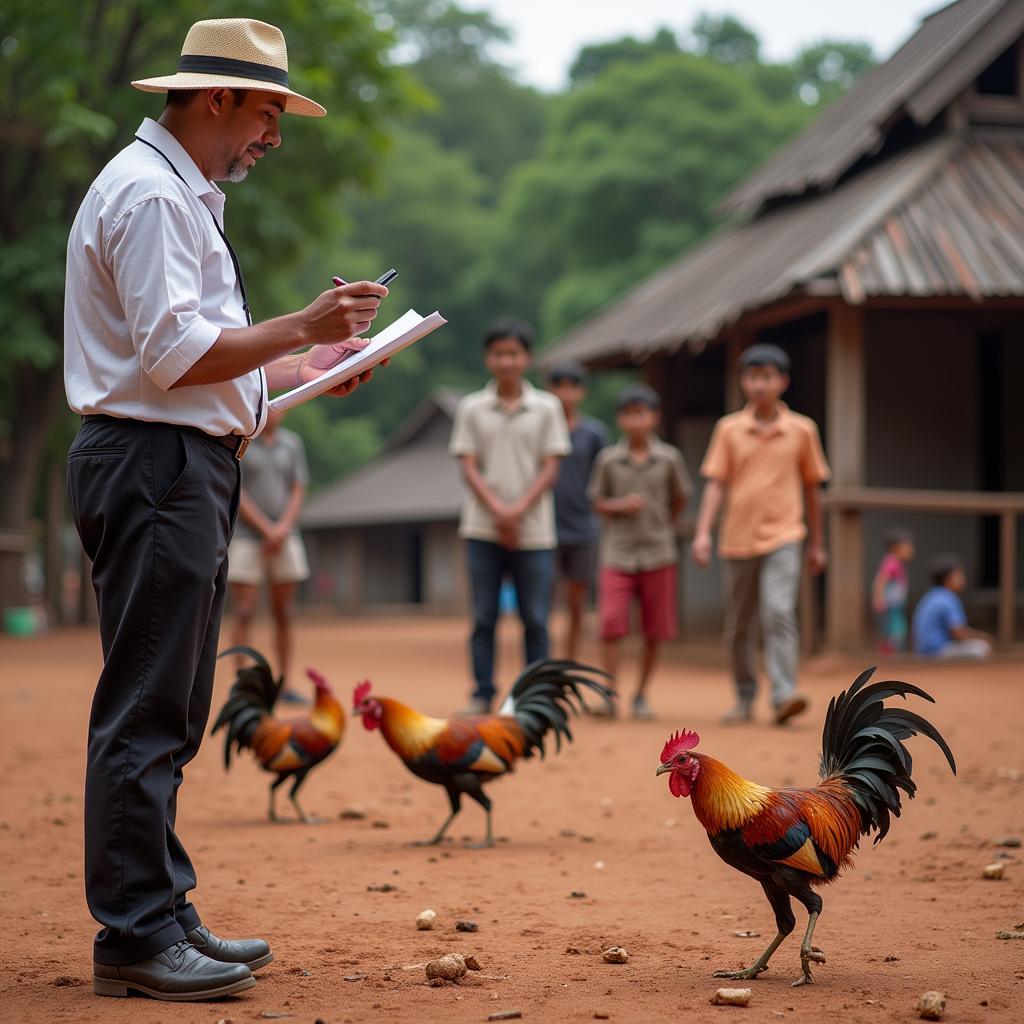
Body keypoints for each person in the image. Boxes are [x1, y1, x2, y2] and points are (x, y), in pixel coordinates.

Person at [64, 18, 390, 1001]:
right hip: (158, 467)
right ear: (214, 98)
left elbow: (192, 363)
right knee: (150, 701)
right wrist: (303, 322)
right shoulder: (155, 196)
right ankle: (134, 927)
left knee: (169, 697)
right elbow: (171, 358)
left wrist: (302, 365)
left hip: (174, 458)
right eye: (266, 112)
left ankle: (155, 907)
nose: (272, 136)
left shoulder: (171, 190)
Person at [692, 343, 829, 726]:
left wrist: (817, 543)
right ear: (743, 381)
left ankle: (784, 692)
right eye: (752, 377)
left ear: (782, 382)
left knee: (779, 611)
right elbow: (716, 484)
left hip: (785, 536)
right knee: (739, 623)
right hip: (737, 538)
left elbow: (813, 488)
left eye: (767, 377)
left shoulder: (802, 430)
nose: (759, 384)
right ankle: (744, 694)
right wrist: (703, 532)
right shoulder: (729, 429)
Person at [449, 320, 571, 714]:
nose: (506, 361)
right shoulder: (471, 408)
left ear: (527, 359)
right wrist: (499, 511)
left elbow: (551, 467)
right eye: (499, 353)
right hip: (481, 528)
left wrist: (516, 511)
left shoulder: (548, 407)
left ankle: (535, 697)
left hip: (535, 531)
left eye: (514, 353)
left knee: (535, 618)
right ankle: (482, 693)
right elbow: (468, 466)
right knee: (483, 616)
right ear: (488, 358)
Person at [589, 384, 692, 720]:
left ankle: (641, 695)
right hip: (617, 554)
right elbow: (597, 501)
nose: (635, 421)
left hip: (659, 553)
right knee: (610, 624)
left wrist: (662, 522)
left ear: (654, 417)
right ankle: (609, 695)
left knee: (654, 628)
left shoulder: (669, 458)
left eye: (642, 413)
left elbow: (680, 498)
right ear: (621, 419)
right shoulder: (608, 460)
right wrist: (618, 505)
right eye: (629, 414)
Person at [227, 407, 311, 702]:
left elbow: (298, 488)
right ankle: (242, 683)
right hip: (248, 538)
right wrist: (266, 529)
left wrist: (282, 528)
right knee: (244, 611)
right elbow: (238, 489)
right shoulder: (243, 442)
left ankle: (284, 684)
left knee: (285, 612)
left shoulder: (292, 444)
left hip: (285, 537)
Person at [546, 362, 610, 660]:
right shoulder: (541, 429)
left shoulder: (594, 434)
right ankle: (545, 663)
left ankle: (569, 662)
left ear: (581, 392)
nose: (565, 394)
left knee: (576, 602)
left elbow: (605, 478)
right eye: (559, 386)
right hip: (545, 527)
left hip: (583, 527)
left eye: (571, 387)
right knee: (542, 602)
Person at [912, 554, 993, 660]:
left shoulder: (931, 595)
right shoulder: (948, 598)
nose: (963, 578)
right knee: (982, 647)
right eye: (959, 574)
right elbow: (958, 633)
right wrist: (983, 637)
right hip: (938, 651)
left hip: (923, 652)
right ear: (948, 578)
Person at [872, 528, 915, 653]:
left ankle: (892, 654)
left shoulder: (896, 563)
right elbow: (881, 579)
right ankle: (892, 656)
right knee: (896, 630)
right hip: (889, 605)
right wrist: (879, 598)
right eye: (908, 546)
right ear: (896, 547)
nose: (911, 549)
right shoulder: (892, 562)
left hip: (895, 605)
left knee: (896, 630)